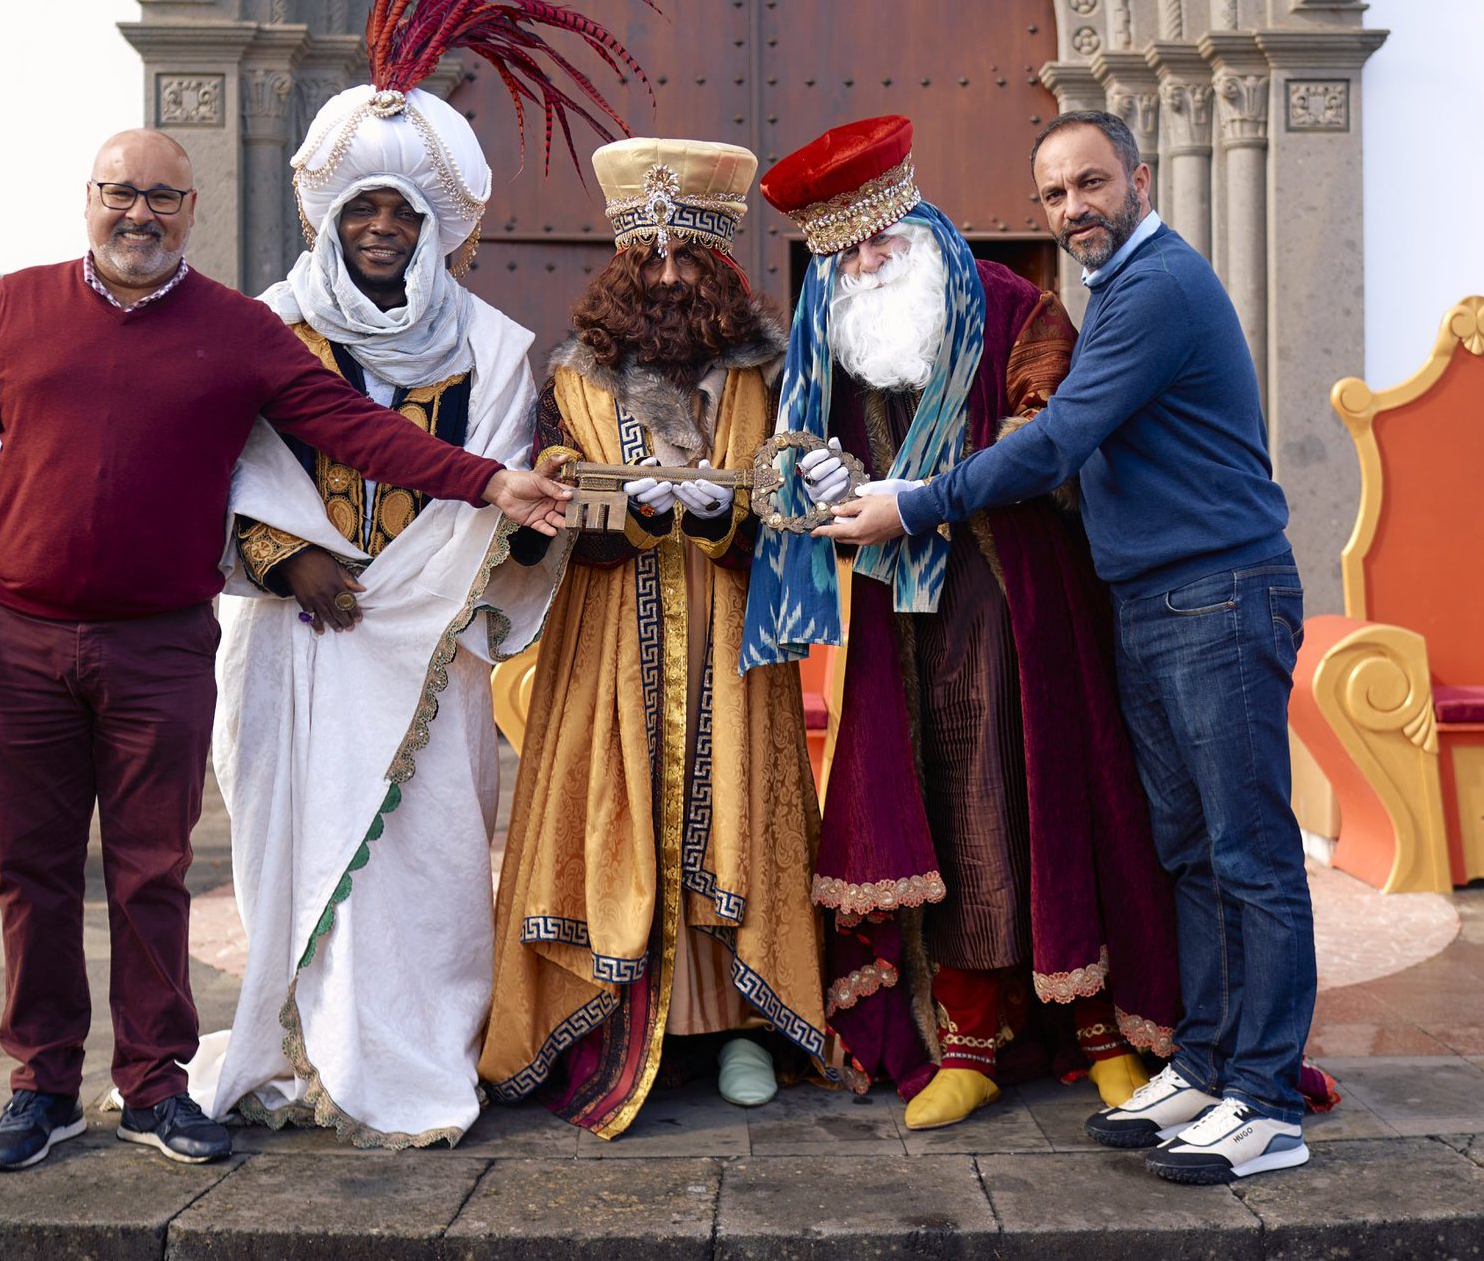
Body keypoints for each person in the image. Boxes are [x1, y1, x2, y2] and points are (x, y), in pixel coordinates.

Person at [0, 127, 571, 1173]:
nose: (139, 216)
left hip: (158, 643)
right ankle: (42, 1087)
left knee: (152, 872)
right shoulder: (15, 308)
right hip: (23, 635)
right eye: (121, 194)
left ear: (191, 210)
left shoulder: (238, 329)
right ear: (88, 198)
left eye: (162, 198)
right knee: (32, 874)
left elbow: (353, 428)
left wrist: (487, 481)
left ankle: (157, 1085)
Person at [187, 0, 646, 1147]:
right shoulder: (262, 329)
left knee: (435, 858)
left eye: (405, 208)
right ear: (332, 218)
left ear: (441, 227)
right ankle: (316, 1050)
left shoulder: (499, 348)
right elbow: (223, 470)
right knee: (292, 854)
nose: (384, 225)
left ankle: (426, 1052)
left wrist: (428, 586)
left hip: (429, 650)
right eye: (363, 207)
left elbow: (501, 490)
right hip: (294, 640)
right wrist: (288, 564)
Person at [820, 109, 1316, 1184]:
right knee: (1190, 852)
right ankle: (1213, 1065)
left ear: (1139, 176)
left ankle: (1267, 1103)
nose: (1073, 209)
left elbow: (1057, 440)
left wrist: (914, 505)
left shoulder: (1156, 289)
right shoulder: (1115, 289)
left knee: (1250, 857)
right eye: (1053, 195)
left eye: (1092, 183)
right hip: (1150, 598)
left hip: (1218, 594)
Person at [745, 115, 1180, 1133]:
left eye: (879, 242)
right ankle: (971, 1044)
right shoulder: (830, 341)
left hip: (1031, 611)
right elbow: (790, 467)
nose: (865, 264)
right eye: (844, 254)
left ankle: (1103, 1035)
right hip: (904, 629)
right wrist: (805, 480)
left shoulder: (1013, 304)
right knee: (949, 818)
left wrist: (932, 489)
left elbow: (1055, 435)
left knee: (1053, 801)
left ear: (920, 225)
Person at [479, 137, 828, 1137]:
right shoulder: (571, 377)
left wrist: (735, 508)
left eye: (691, 257)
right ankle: (615, 1023)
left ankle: (737, 1031)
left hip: (728, 634)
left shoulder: (768, 374)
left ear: (722, 267)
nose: (670, 276)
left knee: (731, 819)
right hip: (606, 639)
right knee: (610, 810)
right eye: (652, 256)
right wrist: (601, 500)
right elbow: (539, 494)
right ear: (624, 265)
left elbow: (789, 501)